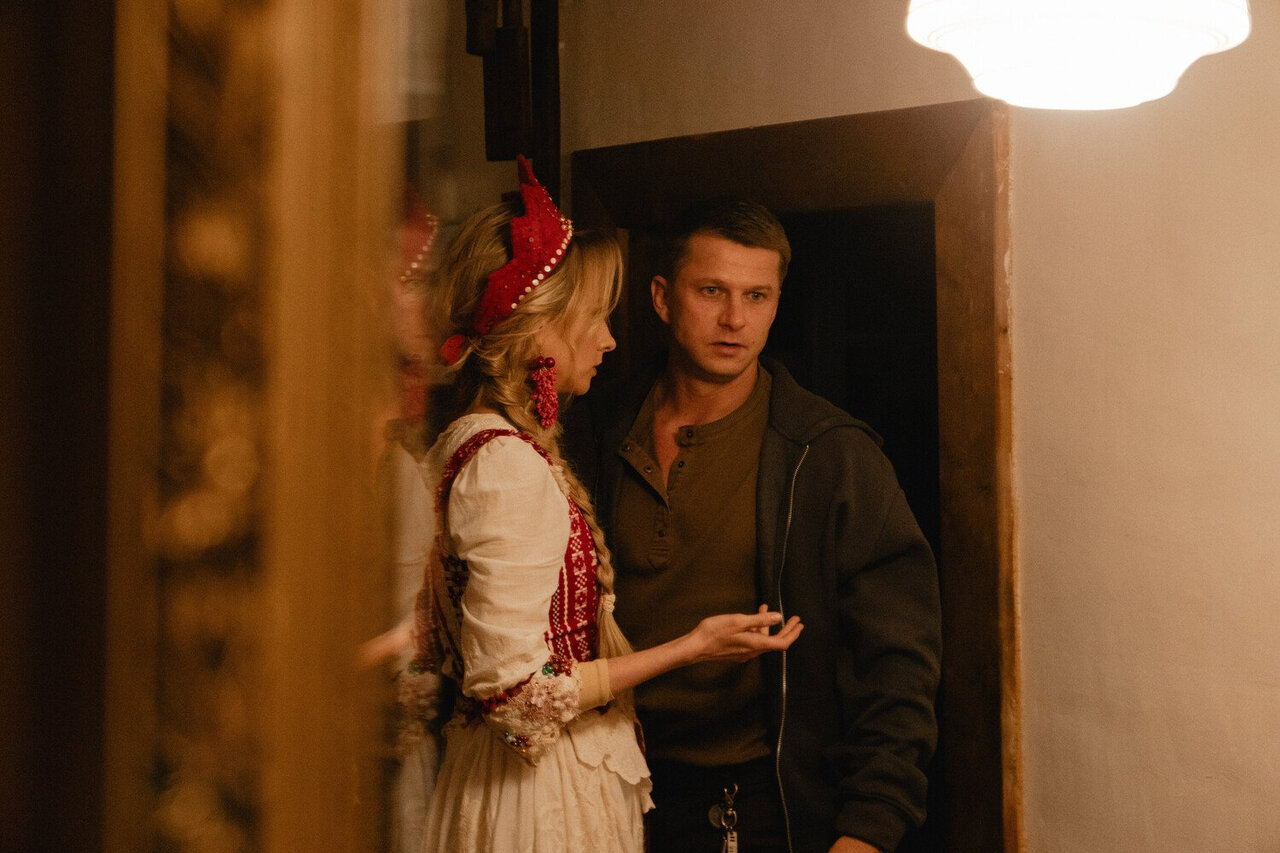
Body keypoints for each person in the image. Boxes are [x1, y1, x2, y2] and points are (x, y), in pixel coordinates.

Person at [401, 158, 803, 853]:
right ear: (539, 327)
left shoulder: (469, 443)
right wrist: (693, 646)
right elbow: (518, 698)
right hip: (537, 796)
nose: (609, 339)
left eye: (757, 295)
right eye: (592, 318)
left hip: (514, 781)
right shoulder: (504, 465)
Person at [563, 197, 942, 853]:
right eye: (711, 290)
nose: (735, 318)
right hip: (598, 781)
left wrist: (869, 827)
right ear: (662, 298)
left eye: (757, 296)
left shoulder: (827, 453)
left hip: (754, 801)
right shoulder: (592, 429)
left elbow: (897, 662)